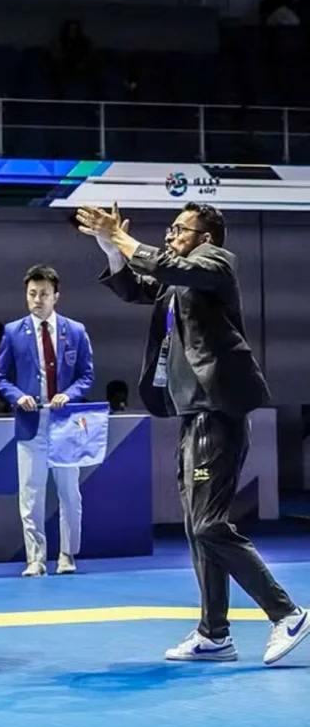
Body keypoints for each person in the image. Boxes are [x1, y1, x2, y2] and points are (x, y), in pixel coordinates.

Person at [75, 201, 308, 665]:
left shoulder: (217, 263)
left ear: (206, 238)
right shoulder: (179, 279)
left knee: (208, 524)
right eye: (172, 227)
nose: (171, 234)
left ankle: (287, 613)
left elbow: (163, 264)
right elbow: (136, 287)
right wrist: (109, 245)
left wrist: (123, 238)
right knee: (196, 526)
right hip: (192, 410)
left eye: (181, 229)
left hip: (216, 407)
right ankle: (214, 633)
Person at [0, 264, 94, 577]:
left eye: (44, 294)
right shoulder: (12, 332)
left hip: (65, 422)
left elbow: (87, 375)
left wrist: (71, 394)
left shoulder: (75, 331)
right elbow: (0, 376)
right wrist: (16, 395)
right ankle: (35, 559)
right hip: (30, 419)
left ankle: (67, 555)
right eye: (32, 294)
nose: (37, 299)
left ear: (56, 296)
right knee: (31, 493)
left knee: (69, 493)